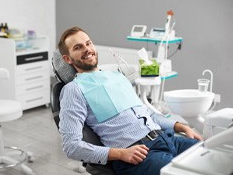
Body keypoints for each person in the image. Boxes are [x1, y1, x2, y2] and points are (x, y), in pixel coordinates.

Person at [58, 26, 202, 175]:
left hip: (167, 139)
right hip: (138, 155)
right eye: (78, 47)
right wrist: (120, 154)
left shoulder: (117, 76)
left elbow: (148, 114)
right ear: (68, 59)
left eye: (88, 43)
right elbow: (71, 147)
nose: (87, 49)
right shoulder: (73, 90)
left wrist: (181, 127)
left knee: (212, 155)